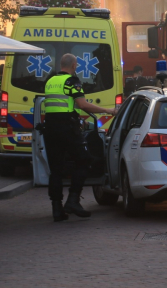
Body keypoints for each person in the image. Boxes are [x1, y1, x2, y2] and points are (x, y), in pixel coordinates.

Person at [41, 53, 116, 222]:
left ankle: (57, 209)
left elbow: (60, 105)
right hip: (67, 128)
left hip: (50, 128)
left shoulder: (51, 81)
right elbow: (82, 104)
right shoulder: (71, 81)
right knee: (84, 160)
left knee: (56, 169)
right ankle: (73, 200)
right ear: (74, 65)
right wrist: (108, 110)